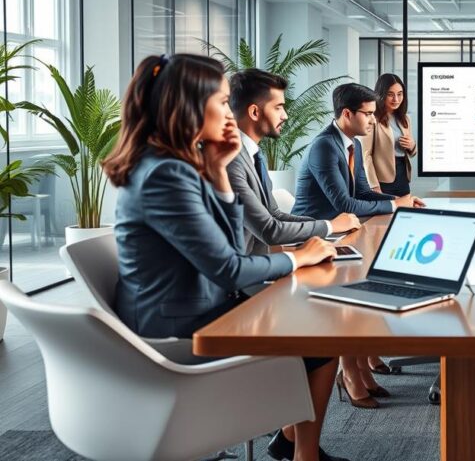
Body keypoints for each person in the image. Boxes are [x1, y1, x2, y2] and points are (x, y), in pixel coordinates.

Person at [103, 54, 345, 461]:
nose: (229, 112)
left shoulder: (177, 165)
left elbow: (229, 250)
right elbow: (231, 268)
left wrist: (217, 173)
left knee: (319, 333)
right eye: (221, 101)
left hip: (195, 308)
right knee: (318, 341)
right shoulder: (165, 174)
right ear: (191, 108)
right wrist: (297, 259)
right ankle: (301, 452)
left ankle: (296, 446)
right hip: (177, 330)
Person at [227, 69, 361, 254]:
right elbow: (270, 230)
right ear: (255, 112)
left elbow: (275, 214)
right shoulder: (231, 161)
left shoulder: (254, 155)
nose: (285, 115)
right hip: (246, 276)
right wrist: (330, 226)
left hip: (264, 266)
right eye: (278, 107)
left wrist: (331, 227)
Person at [292, 83, 425, 219]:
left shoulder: (355, 144)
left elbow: (363, 193)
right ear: (347, 114)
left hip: (340, 226)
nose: (373, 121)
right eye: (368, 114)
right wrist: (395, 204)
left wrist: (400, 201)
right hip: (312, 231)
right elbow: (345, 205)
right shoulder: (324, 146)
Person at [360, 73, 416, 196]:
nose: (396, 99)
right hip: (383, 179)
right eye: (390, 94)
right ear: (381, 95)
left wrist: (412, 146)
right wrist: (374, 185)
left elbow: (411, 151)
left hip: (402, 175)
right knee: (385, 214)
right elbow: (366, 155)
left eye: (399, 94)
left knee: (404, 212)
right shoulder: (372, 118)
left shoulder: (405, 119)